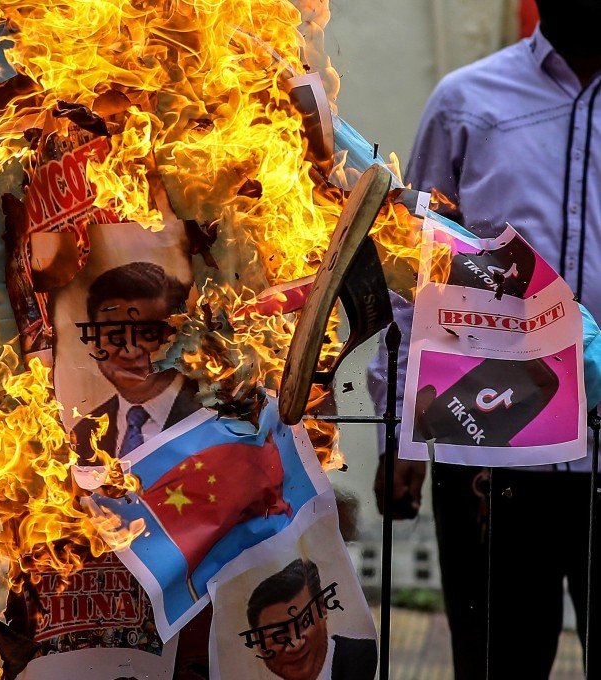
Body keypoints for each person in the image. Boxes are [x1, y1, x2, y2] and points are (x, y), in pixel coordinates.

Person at [370, 1, 601, 677]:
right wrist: (397, 429)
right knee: (494, 663)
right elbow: (414, 271)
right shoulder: (466, 101)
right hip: (490, 457)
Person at [71, 261, 200, 463]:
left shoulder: (214, 419)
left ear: (180, 337)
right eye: (114, 334)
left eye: (147, 334)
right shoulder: (83, 435)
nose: (129, 351)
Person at [243, 559, 376, 680]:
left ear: (322, 607)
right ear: (257, 641)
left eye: (305, 623)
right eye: (278, 635)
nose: (295, 644)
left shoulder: (359, 658)